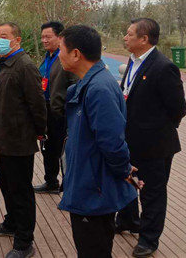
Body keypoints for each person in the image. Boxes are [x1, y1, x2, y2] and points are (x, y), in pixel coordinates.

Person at [58, 25, 139, 258]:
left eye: (61, 49)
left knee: (93, 250)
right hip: (88, 183)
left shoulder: (99, 89)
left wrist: (124, 170)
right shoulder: (90, 84)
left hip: (94, 190)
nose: (59, 55)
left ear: (76, 53)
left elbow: (112, 142)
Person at [115, 18, 186, 258]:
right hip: (130, 140)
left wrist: (158, 129)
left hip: (155, 146)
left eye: (129, 34)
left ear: (144, 39)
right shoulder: (133, 61)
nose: (125, 37)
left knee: (152, 193)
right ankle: (128, 220)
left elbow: (178, 108)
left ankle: (148, 239)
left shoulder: (163, 67)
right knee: (128, 182)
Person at [0, 22, 47, 258]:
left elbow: (37, 104)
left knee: (21, 192)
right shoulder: (4, 63)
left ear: (17, 40)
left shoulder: (25, 66)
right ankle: (11, 222)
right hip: (2, 138)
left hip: (19, 140)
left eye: (4, 36)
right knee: (7, 186)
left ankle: (24, 241)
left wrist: (40, 131)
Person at [34, 21, 77, 194]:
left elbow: (75, 85)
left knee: (63, 151)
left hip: (60, 112)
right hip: (45, 110)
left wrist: (65, 106)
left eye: (48, 37)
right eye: (42, 37)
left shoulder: (66, 58)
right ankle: (51, 181)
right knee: (47, 148)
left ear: (60, 38)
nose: (44, 40)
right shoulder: (47, 57)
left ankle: (69, 188)